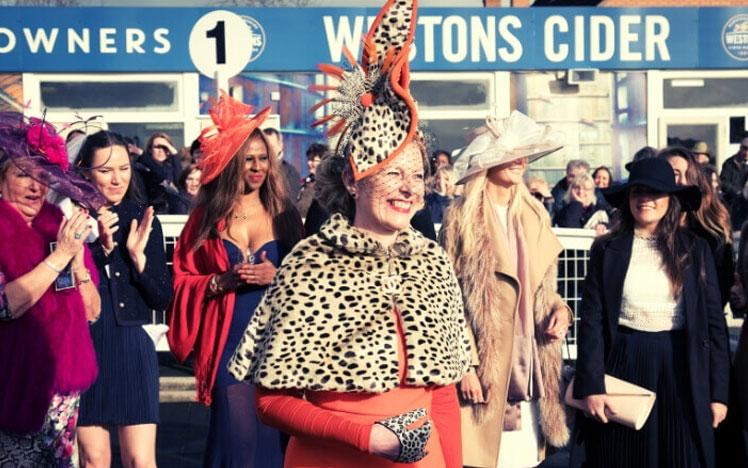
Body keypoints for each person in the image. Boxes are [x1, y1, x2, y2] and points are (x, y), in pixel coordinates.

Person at [228, 1, 471, 466]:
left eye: (416, 176)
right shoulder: (311, 263)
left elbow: (442, 395)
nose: (408, 188)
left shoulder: (432, 261)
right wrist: (367, 437)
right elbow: (270, 402)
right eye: (391, 173)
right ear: (351, 179)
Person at [168, 92, 302, 468]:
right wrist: (219, 282)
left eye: (263, 159)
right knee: (238, 438)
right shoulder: (206, 220)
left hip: (278, 345)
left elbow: (310, 280)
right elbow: (181, 280)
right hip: (229, 342)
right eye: (248, 161)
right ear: (230, 164)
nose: (257, 168)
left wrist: (279, 276)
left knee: (277, 440)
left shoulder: (285, 215)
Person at [571, 157, 730, 468]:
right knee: (622, 457)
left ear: (670, 201)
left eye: (655, 193)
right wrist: (591, 385)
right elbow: (591, 321)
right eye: (637, 192)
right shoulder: (607, 249)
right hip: (624, 364)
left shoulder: (695, 249)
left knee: (683, 456)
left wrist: (718, 394)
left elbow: (714, 327)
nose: (645, 200)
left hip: (681, 367)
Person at [441, 111, 571, 468]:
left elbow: (544, 289)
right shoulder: (461, 218)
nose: (520, 160)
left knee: (524, 459)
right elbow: (448, 300)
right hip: (486, 365)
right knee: (485, 459)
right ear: (487, 161)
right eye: (510, 152)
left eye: (524, 153)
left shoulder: (534, 214)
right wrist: (465, 365)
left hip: (530, 363)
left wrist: (562, 311)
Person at [0, 112, 104, 466]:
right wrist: (60, 257)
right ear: (1, 181)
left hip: (61, 391)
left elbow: (93, 312)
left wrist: (77, 262)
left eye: (42, 177)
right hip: (9, 387)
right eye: (22, 175)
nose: (34, 186)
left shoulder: (58, 227)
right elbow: (5, 305)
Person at [74, 131, 173, 468]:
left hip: (133, 343)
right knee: (93, 460)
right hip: (84, 346)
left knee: (140, 460)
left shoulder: (143, 219)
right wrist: (98, 250)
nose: (117, 179)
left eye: (124, 168)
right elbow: (64, 288)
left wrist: (138, 260)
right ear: (85, 171)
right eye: (105, 170)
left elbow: (161, 298)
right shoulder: (71, 221)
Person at [660, 147, 733, 308]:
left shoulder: (712, 232)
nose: (683, 182)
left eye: (689, 175)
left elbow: (722, 285)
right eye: (675, 174)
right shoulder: (647, 227)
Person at [136, 132, 182, 214]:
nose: (161, 151)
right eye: (157, 147)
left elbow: (180, 181)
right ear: (150, 149)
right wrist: (143, 155)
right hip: (151, 213)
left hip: (173, 215)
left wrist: (174, 153)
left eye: (165, 147)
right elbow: (158, 174)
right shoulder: (141, 168)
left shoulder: (172, 169)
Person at [263, 127, 302, 203]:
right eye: (265, 147)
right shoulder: (254, 170)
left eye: (271, 147)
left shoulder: (290, 173)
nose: (268, 151)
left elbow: (290, 204)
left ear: (280, 146)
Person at [719, 136, 748, 229]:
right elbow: (723, 182)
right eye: (745, 149)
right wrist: (737, 192)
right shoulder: (729, 163)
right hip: (731, 206)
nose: (746, 152)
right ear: (740, 148)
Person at [297, 142, 327, 218]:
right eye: (308, 159)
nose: (309, 163)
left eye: (313, 160)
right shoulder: (304, 182)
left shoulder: (328, 185)